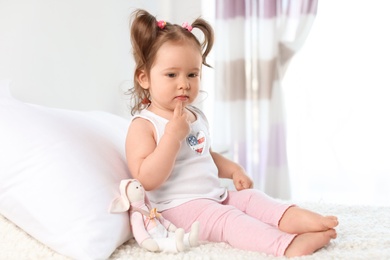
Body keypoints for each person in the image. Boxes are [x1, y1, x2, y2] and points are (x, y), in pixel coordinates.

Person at [125, 9, 338, 257]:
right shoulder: (144, 125)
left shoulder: (194, 115)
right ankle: (285, 245)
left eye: (192, 74)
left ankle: (306, 221)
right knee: (229, 220)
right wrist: (172, 136)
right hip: (178, 208)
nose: (184, 83)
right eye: (172, 74)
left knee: (252, 199)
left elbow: (204, 155)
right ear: (144, 78)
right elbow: (146, 178)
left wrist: (233, 169)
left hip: (214, 195)